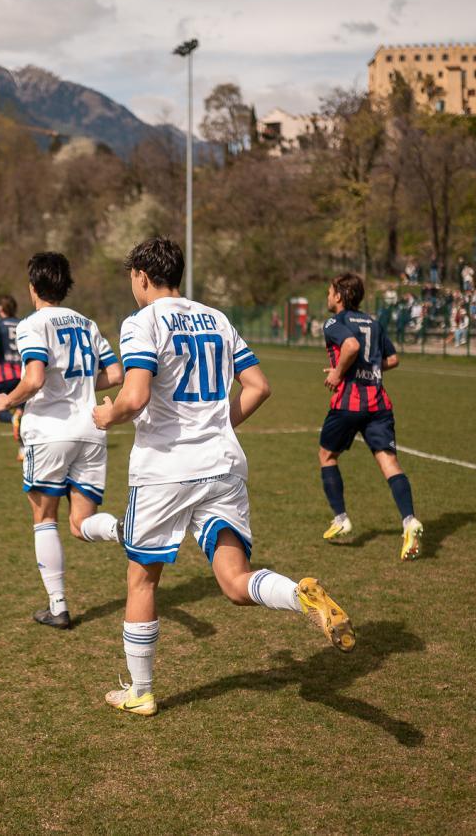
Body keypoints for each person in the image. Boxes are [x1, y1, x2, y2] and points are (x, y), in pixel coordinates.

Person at [92, 237, 355, 717]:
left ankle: (141, 691)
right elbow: (259, 387)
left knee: (142, 579)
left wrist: (108, 417)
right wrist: (215, 426)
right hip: (223, 465)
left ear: (143, 277)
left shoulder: (141, 322)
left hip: (165, 471)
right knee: (236, 583)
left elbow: (134, 397)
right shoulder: (217, 318)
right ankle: (298, 596)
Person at [0, 253, 124, 630]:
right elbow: (115, 373)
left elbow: (34, 379)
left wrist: (6, 400)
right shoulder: (88, 324)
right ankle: (121, 530)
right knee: (82, 524)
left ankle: (58, 607)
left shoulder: (31, 325)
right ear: (66, 286)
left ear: (32, 287)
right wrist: (78, 386)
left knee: (45, 518)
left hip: (49, 433)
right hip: (91, 430)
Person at [318, 272, 424, 561]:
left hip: (349, 403)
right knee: (389, 462)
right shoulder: (373, 323)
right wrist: (370, 369)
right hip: (378, 403)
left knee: (327, 455)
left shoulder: (334, 322)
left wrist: (340, 372)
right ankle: (409, 521)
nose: (327, 297)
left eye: (329, 292)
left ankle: (341, 518)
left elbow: (351, 346)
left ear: (339, 296)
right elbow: (393, 358)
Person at [0, 295, 24, 459]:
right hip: (23, 375)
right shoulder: (23, 324)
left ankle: (14, 418)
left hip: (5, 375)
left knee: (2, 413)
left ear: (1, 309)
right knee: (25, 412)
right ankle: (23, 450)